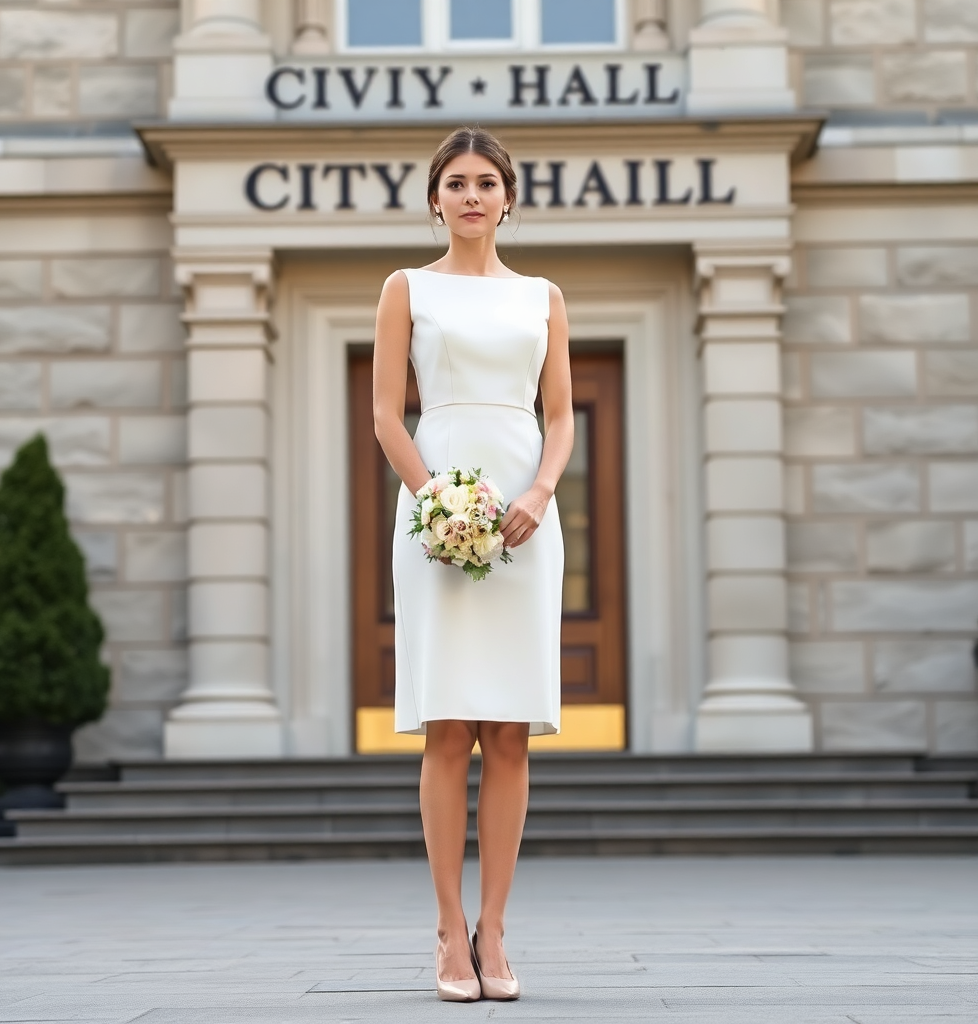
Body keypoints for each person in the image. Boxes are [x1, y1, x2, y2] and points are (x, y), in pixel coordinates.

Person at [373, 125, 573, 1002]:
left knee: (511, 731)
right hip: (436, 513)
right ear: (434, 199)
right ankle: (448, 931)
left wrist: (539, 492)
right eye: (455, 182)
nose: (470, 196)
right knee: (450, 724)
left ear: (508, 199)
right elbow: (387, 415)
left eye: (486, 182)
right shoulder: (404, 289)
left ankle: (496, 930)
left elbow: (560, 416)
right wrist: (435, 499)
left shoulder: (542, 296)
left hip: (529, 521)